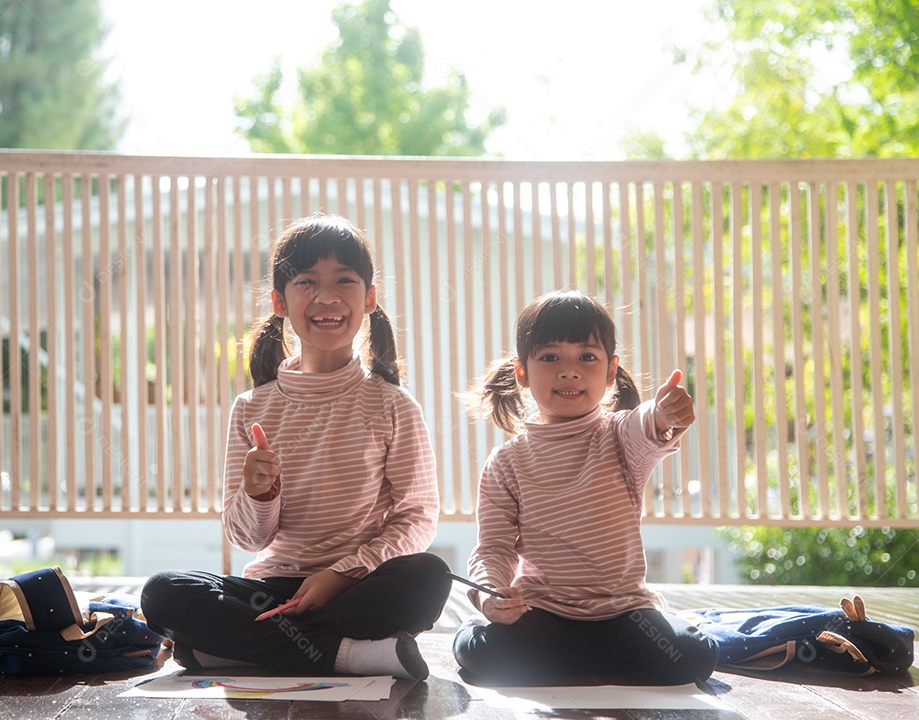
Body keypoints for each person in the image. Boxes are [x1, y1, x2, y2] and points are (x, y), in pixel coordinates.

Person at [142, 215, 450, 681]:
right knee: (162, 593)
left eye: (344, 281)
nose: (326, 298)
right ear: (280, 302)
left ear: (368, 298)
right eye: (307, 283)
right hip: (272, 588)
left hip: (356, 586)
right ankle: (349, 655)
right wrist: (259, 495)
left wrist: (343, 573)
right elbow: (248, 539)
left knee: (428, 576)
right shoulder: (251, 407)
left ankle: (241, 647)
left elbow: (418, 519)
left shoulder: (392, 404)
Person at [452, 290, 719, 686]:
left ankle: (570, 661)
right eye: (550, 357)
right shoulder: (506, 463)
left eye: (587, 357)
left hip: (624, 615)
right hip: (544, 613)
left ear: (611, 371)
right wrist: (489, 595)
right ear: (522, 372)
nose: (569, 371)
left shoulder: (618, 437)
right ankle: (578, 659)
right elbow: (493, 548)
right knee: (478, 650)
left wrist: (663, 412)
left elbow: (645, 424)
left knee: (693, 656)